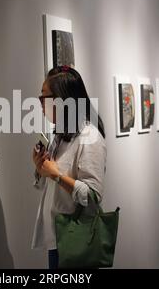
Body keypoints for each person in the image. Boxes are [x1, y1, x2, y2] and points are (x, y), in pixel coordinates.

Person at [31, 66, 107, 269]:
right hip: (58, 237)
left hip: (78, 239)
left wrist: (56, 175)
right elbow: (48, 183)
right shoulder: (60, 135)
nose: (40, 103)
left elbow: (92, 196)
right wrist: (41, 168)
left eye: (43, 97)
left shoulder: (89, 138)